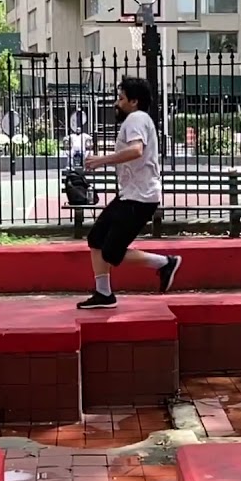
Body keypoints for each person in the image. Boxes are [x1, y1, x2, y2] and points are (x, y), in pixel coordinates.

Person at [79, 77, 181, 310]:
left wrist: (101, 160)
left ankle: (165, 262)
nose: (117, 103)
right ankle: (103, 293)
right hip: (131, 195)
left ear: (134, 101)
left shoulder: (135, 118)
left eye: (121, 98)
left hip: (139, 198)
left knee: (111, 252)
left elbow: (136, 150)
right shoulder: (139, 119)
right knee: (96, 239)